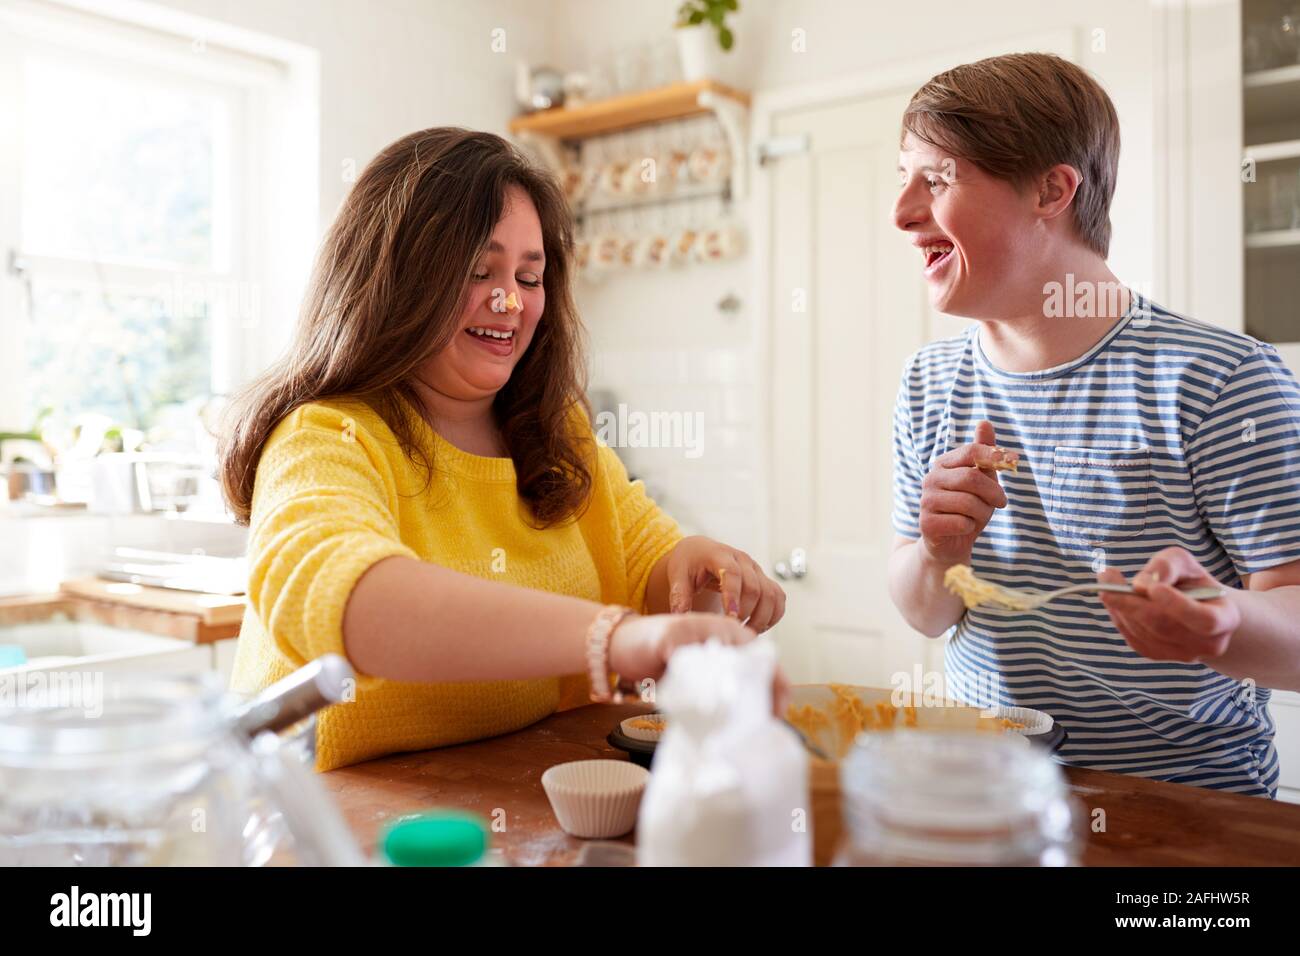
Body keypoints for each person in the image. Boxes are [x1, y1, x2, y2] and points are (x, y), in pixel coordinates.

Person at [220, 128, 787, 771]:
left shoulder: (559, 437)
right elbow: (359, 606)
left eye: (529, 275)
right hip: (335, 829)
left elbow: (652, 576)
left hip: (516, 805)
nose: (510, 300)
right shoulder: (325, 438)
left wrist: (702, 573)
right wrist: (615, 639)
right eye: (477, 271)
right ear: (394, 280)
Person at [887, 53, 1300, 796]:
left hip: (1186, 814)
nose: (904, 212)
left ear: (1052, 189)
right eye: (904, 178)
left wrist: (1222, 621)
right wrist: (935, 550)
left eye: (937, 179)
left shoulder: (1222, 382)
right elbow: (924, 614)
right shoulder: (928, 382)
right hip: (986, 798)